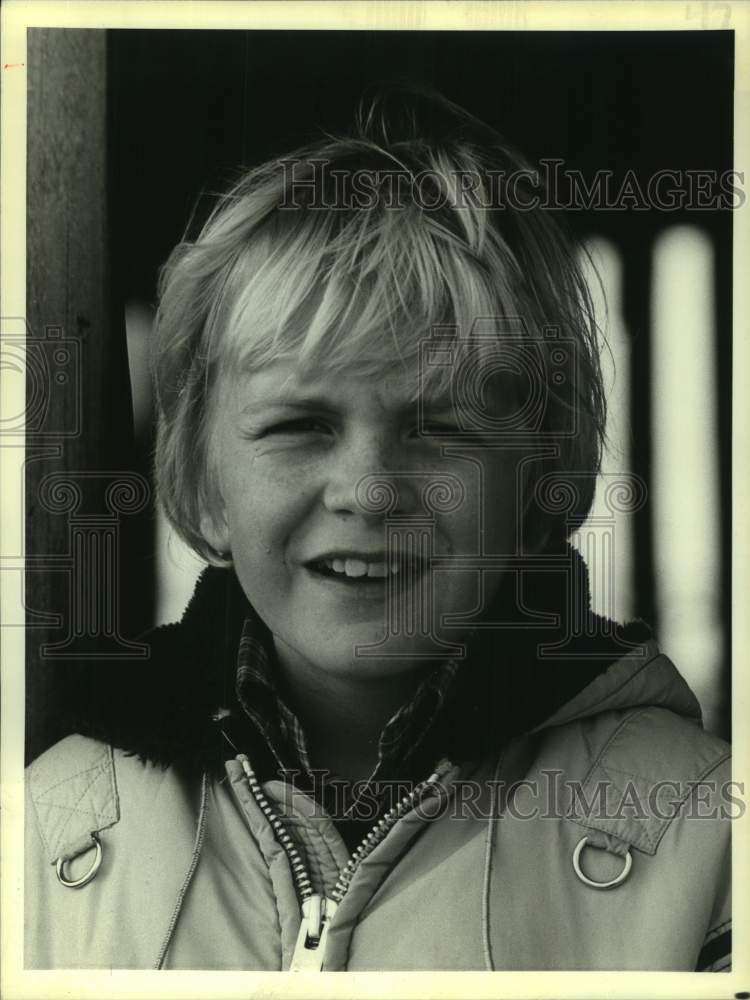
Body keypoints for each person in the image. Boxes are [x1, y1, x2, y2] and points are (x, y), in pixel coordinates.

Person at [25, 88, 732, 972]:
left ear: (543, 479)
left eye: (440, 428)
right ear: (204, 482)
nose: (366, 491)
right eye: (299, 426)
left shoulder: (707, 839)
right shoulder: (52, 833)